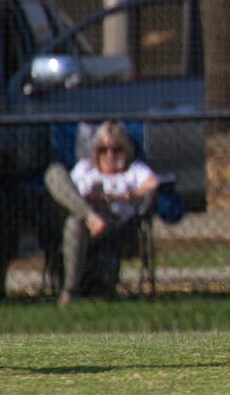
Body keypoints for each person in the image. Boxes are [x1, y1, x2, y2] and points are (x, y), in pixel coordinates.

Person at [43, 120, 160, 305]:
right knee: (54, 173)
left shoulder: (133, 171)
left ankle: (69, 293)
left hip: (114, 224)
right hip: (79, 215)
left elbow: (154, 184)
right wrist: (88, 202)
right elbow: (66, 192)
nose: (110, 155)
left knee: (75, 223)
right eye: (103, 149)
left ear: (127, 150)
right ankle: (90, 216)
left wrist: (122, 196)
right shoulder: (85, 168)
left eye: (117, 149)